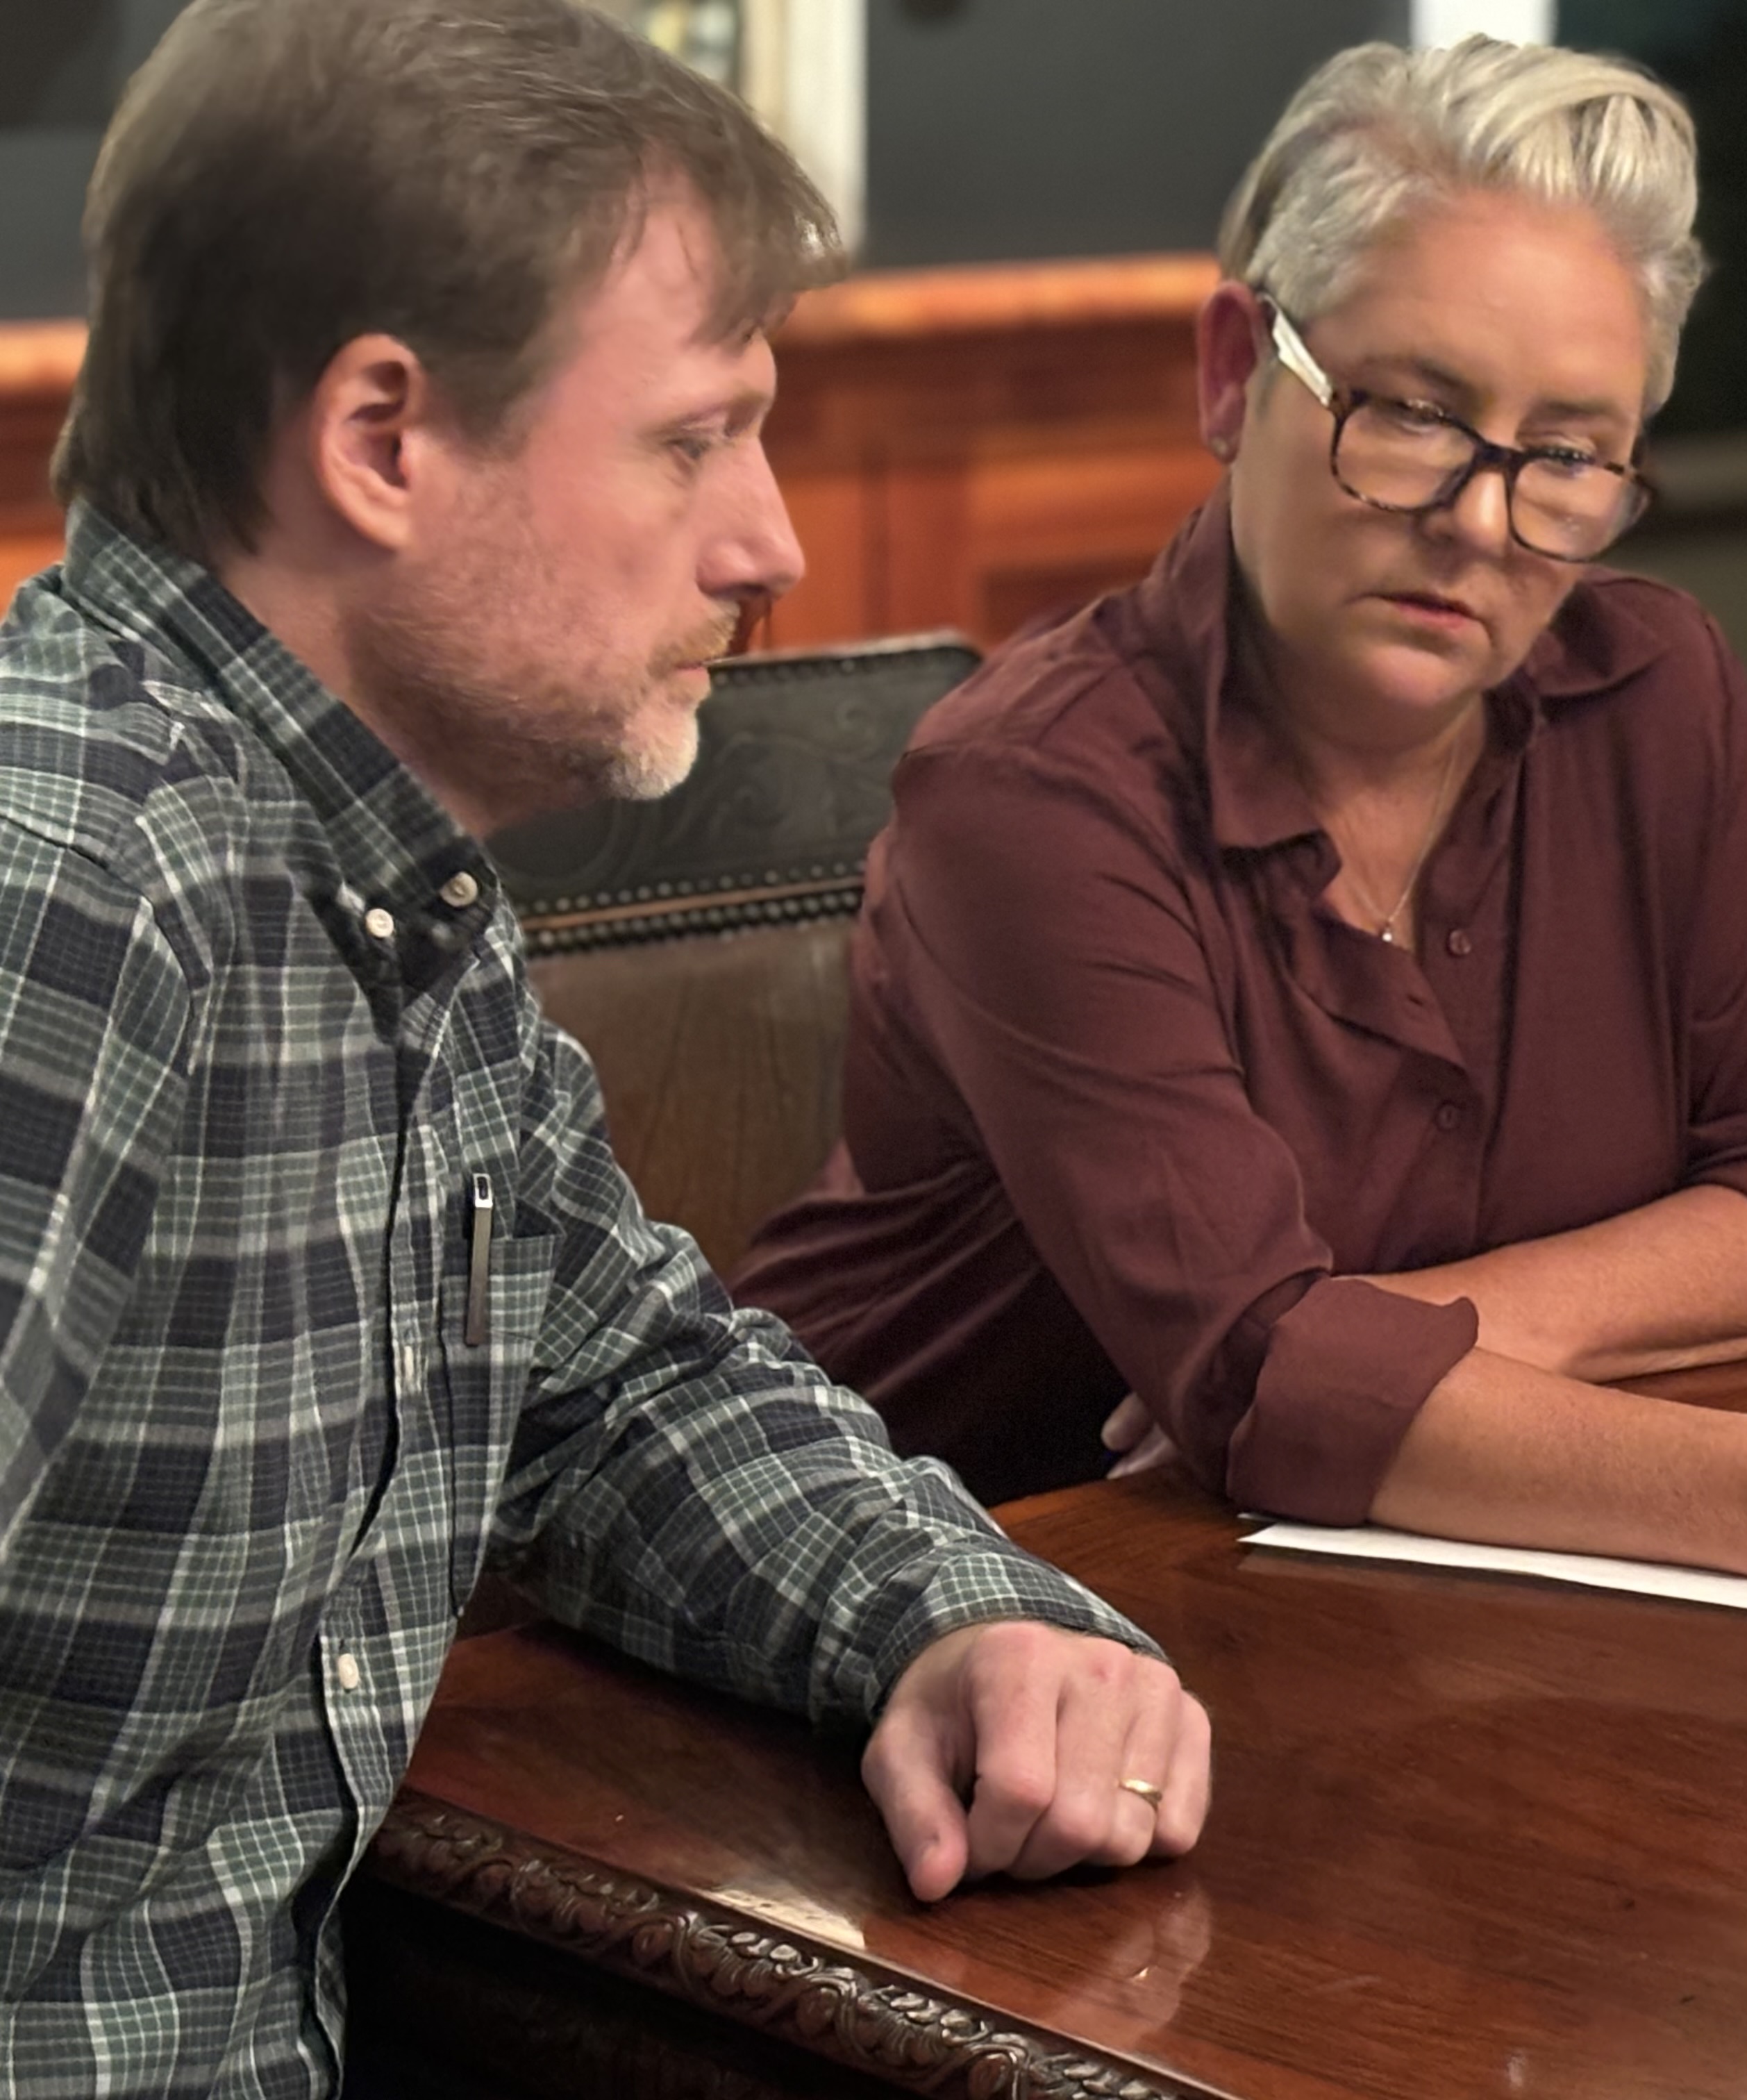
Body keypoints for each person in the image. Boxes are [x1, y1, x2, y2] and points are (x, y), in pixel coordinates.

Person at [0, 3, 1208, 2091]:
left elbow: (621, 1386)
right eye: (691, 437)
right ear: (383, 437)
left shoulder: (377, 879)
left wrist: (954, 1617)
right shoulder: (70, 876)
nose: (770, 544)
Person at [734, 38, 1747, 1617]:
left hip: (1416, 1597)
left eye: (1567, 456)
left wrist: (1389, 1341)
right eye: (1415, 414)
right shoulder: (1031, 791)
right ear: (1237, 373)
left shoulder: (1654, 690)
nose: (1483, 525)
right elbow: (1259, 1380)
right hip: (936, 1599)